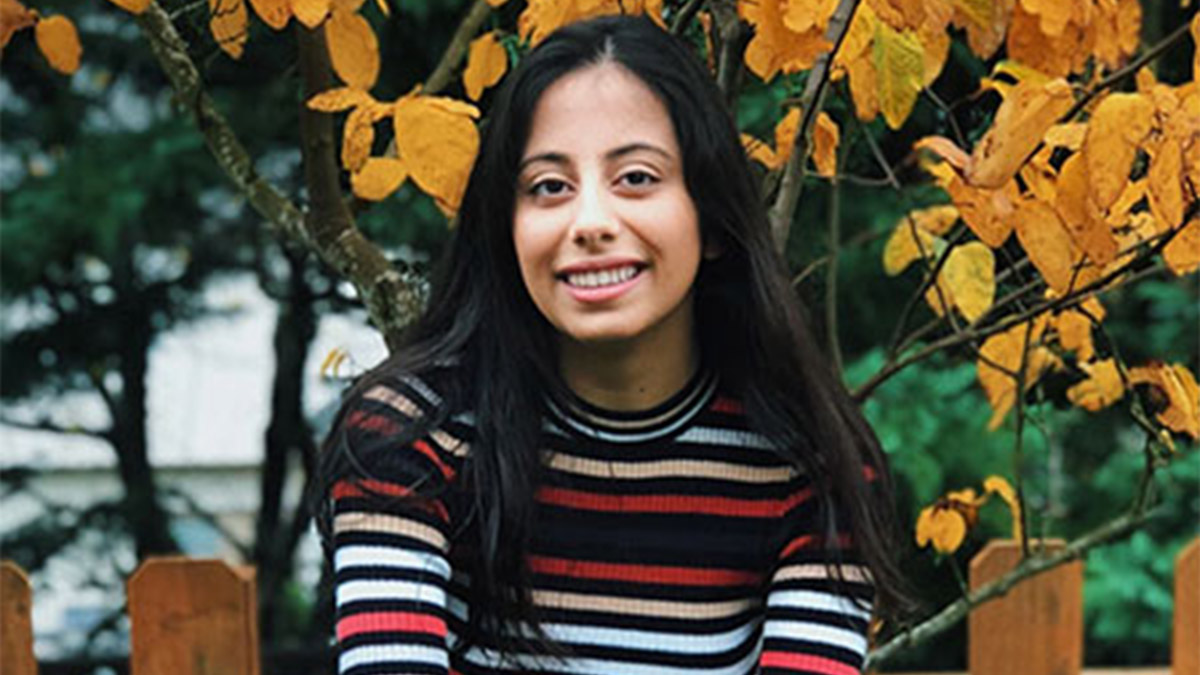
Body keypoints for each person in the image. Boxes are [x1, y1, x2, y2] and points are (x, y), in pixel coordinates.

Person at [313, 14, 909, 675]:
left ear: (711, 219)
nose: (590, 223)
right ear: (506, 231)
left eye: (636, 178)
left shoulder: (813, 469)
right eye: (549, 188)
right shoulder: (411, 439)